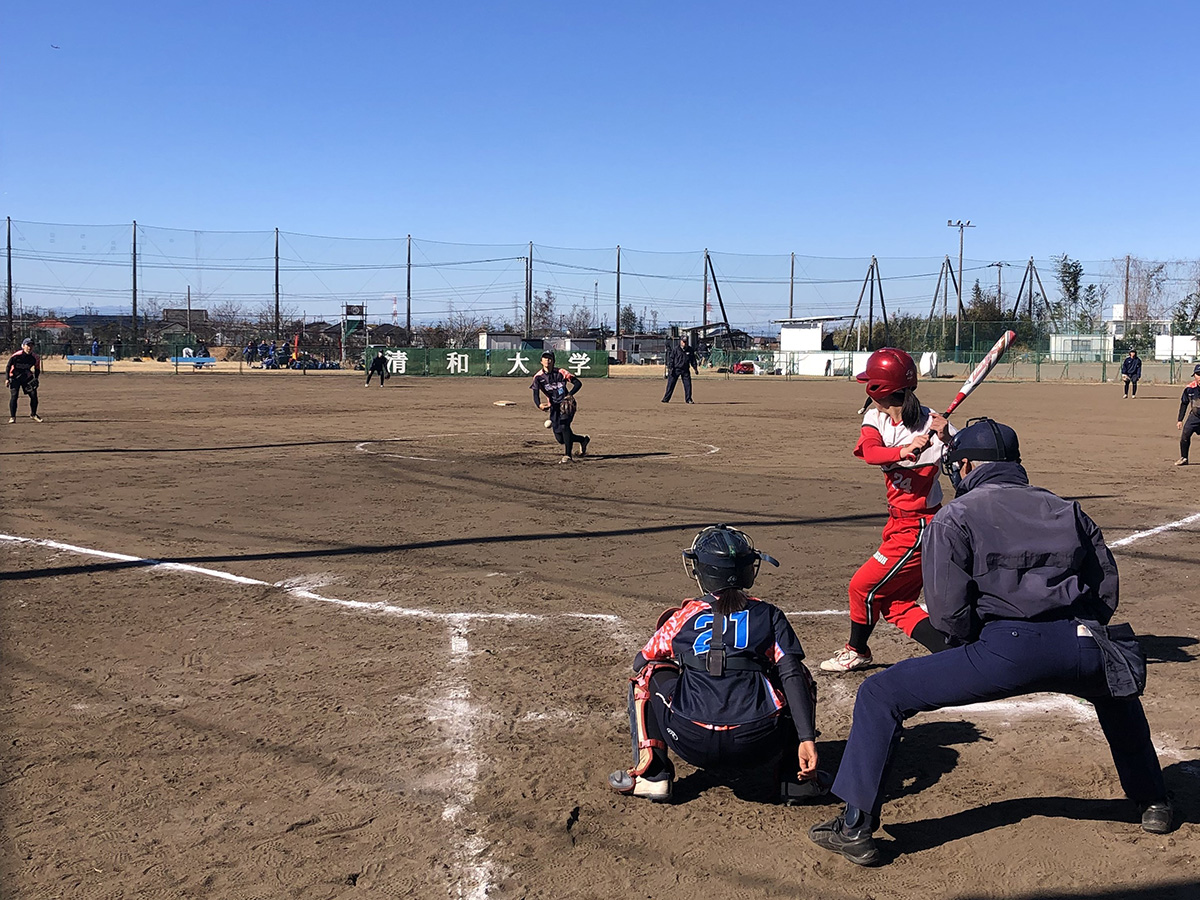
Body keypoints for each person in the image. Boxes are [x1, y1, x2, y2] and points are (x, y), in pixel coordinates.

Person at [809, 418, 1174, 867]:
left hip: (1005, 648)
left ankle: (855, 828)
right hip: (1081, 641)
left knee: (880, 693)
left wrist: (983, 644)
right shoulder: (1067, 508)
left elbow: (947, 611)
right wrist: (1076, 631)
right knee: (1114, 687)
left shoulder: (955, 515)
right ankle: (1153, 800)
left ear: (965, 465)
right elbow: (1105, 590)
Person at [608, 525, 826, 803]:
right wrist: (808, 737)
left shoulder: (684, 616)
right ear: (749, 570)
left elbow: (642, 659)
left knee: (650, 672)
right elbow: (791, 673)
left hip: (689, 738)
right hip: (757, 742)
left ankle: (653, 773)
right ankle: (797, 779)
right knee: (796, 674)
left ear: (702, 571)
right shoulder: (769, 614)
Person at [819, 348, 954, 673]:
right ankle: (952, 653)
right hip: (897, 522)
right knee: (896, 604)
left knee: (861, 586)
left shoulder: (933, 426)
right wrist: (903, 450)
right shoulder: (876, 416)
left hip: (920, 525)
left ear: (879, 388)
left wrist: (948, 438)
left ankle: (857, 650)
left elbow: (966, 463)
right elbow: (869, 451)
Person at [531, 351, 590, 463]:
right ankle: (582, 440)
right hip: (554, 407)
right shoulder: (538, 377)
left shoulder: (561, 372)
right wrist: (539, 405)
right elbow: (535, 394)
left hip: (566, 405)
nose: (547, 360)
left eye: (550, 358)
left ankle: (568, 456)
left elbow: (578, 383)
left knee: (564, 426)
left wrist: (569, 395)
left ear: (553, 361)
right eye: (545, 358)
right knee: (561, 438)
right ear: (541, 361)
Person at [6, 338, 43, 424]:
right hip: (15, 377)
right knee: (14, 396)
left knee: (34, 395)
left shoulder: (35, 357)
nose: (29, 347)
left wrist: (36, 378)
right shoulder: (16, 356)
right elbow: (8, 367)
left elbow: (37, 369)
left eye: (31, 345)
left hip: (26, 377)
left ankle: (33, 414)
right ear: (23, 346)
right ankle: (13, 417)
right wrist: (7, 379)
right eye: (28, 345)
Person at [1174, 363, 1200, 466]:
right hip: (1195, 416)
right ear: (1194, 375)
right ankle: (1184, 458)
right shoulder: (1189, 388)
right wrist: (1180, 420)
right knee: (1185, 434)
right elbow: (1184, 404)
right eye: (1198, 374)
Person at [661, 336, 699, 403]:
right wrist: (670, 368)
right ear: (680, 341)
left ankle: (688, 399)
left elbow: (693, 360)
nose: (684, 343)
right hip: (675, 369)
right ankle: (666, 399)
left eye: (686, 342)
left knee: (688, 385)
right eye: (683, 342)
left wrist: (695, 368)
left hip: (685, 370)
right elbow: (671, 359)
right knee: (670, 385)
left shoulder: (690, 350)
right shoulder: (675, 349)